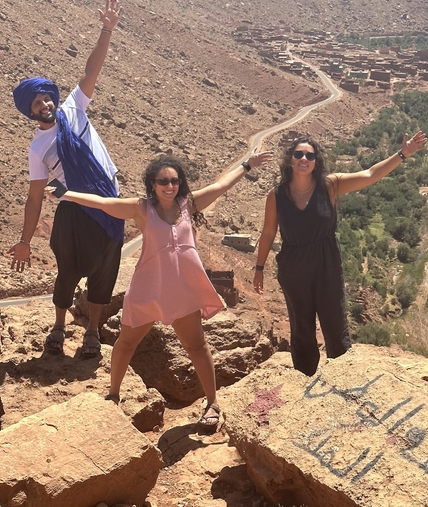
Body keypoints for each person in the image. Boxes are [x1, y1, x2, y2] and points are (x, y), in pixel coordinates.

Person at [47, 148, 271, 430]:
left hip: (182, 290)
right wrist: (65, 194)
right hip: (149, 289)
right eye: (163, 181)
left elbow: (221, 186)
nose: (169, 186)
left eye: (174, 181)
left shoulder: (189, 204)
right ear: (152, 184)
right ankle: (113, 396)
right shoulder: (142, 208)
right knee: (126, 343)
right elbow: (102, 203)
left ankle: (212, 403)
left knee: (197, 346)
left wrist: (247, 165)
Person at [253, 132, 427, 376]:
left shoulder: (329, 185)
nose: (304, 159)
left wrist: (402, 154)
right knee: (301, 326)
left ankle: (343, 379)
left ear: (316, 161)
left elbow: (370, 175)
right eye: (299, 154)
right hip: (294, 269)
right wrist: (259, 268)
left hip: (327, 265)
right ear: (290, 159)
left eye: (310, 155)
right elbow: (268, 233)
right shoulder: (277, 195)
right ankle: (305, 379)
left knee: (335, 323)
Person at [9, 0, 123, 358]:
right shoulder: (37, 147)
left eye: (45, 98)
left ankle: (92, 331)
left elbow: (92, 69)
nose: (43, 105)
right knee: (68, 269)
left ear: (52, 97)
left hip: (110, 200)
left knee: (106, 267)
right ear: (30, 113)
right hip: (74, 208)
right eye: (36, 104)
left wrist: (106, 30)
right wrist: (25, 240)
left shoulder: (74, 107)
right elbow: (35, 197)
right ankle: (58, 326)